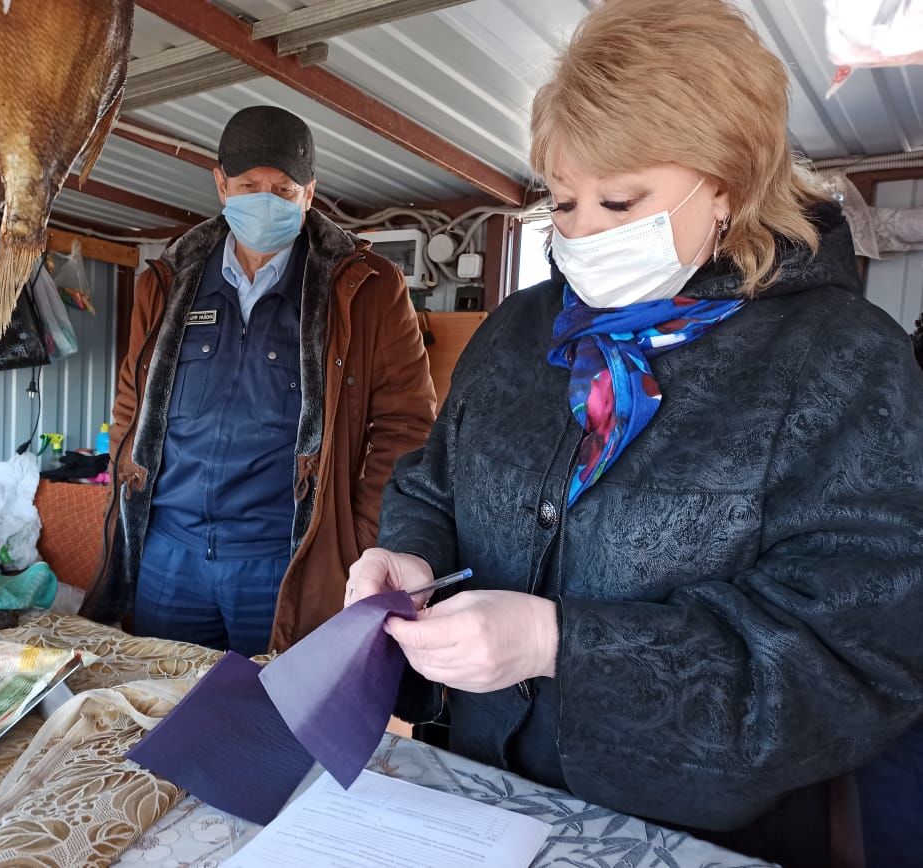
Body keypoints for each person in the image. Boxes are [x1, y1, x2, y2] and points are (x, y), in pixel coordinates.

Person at [345, 1, 923, 865]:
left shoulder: (841, 361)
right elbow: (435, 479)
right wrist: (411, 553)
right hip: (475, 784)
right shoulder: (516, 332)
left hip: (694, 825)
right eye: (565, 200)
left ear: (727, 183)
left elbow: (854, 658)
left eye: (620, 199)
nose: (582, 233)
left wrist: (561, 645)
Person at [81, 106, 435, 656]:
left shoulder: (366, 289)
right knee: (164, 716)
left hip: (284, 563)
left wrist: (360, 540)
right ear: (221, 186)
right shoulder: (167, 283)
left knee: (277, 723)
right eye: (249, 185)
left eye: (283, 188)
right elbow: (132, 399)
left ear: (309, 194)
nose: (266, 199)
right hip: (169, 556)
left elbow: (407, 428)